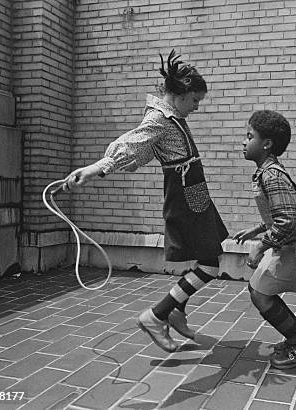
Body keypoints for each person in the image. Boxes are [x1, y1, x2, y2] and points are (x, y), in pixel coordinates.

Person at [62, 50, 229, 352]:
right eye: (195, 101)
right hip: (186, 198)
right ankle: (157, 315)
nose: (196, 108)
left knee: (207, 259)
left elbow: (146, 151)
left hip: (194, 196)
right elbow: (132, 143)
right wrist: (95, 168)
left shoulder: (171, 117)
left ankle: (176, 311)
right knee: (209, 266)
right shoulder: (159, 120)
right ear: (181, 95)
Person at [233, 110, 296, 369]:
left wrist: (260, 248)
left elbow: (286, 221)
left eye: (249, 136)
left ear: (267, 144)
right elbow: (282, 212)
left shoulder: (272, 175)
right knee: (258, 289)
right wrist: (256, 229)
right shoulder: (269, 171)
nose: (244, 141)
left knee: (261, 293)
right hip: (292, 241)